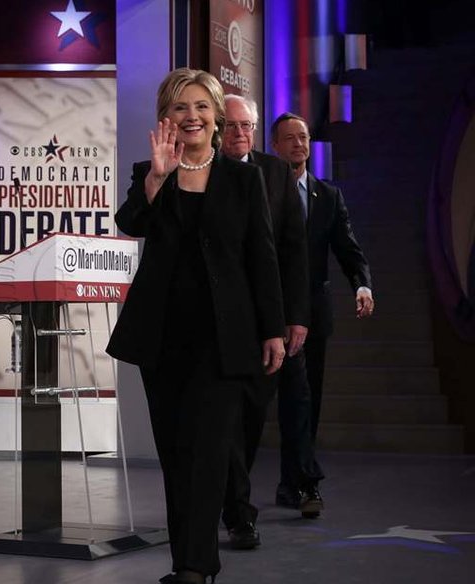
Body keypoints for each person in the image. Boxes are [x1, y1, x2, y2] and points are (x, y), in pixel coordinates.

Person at [106, 69, 286, 584]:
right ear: (167, 117)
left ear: (217, 117)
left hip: (224, 338)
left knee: (209, 452)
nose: (193, 117)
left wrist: (272, 328)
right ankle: (186, 561)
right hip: (163, 335)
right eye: (181, 108)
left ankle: (194, 567)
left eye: (202, 107)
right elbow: (131, 223)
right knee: (176, 455)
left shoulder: (243, 178)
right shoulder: (151, 171)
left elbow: (262, 258)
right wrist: (157, 179)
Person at [270, 112, 374, 516]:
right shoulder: (260, 189)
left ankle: (293, 482)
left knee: (305, 399)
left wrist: (361, 284)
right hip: (268, 311)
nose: (299, 144)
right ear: (275, 146)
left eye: (304, 137)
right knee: (288, 398)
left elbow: (348, 248)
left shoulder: (328, 196)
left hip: (313, 314)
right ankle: (301, 481)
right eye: (290, 138)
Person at [218, 95, 310, 549]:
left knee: (252, 418)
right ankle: (238, 512)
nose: (240, 134)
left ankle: (231, 499)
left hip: (266, 320)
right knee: (225, 419)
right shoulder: (203, 170)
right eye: (232, 126)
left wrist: (295, 317)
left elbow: (294, 252)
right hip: (215, 322)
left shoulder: (275, 174)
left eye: (247, 126)